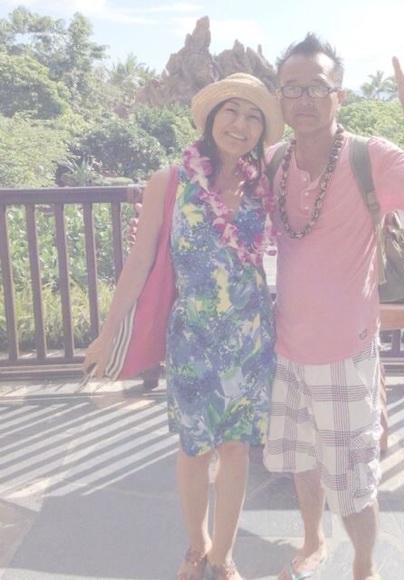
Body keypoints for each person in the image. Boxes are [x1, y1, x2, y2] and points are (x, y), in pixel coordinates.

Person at [262, 34, 404, 580]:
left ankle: (364, 565)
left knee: (354, 481)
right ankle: (312, 541)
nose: (304, 99)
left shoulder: (368, 156)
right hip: (287, 349)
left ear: (339, 95)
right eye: (292, 89)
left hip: (345, 353)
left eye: (316, 87)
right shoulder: (273, 161)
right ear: (280, 99)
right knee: (303, 462)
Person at [83, 73, 284, 580]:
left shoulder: (264, 187)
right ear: (212, 117)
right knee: (195, 448)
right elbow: (139, 262)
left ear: (262, 132)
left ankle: (223, 555)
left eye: (253, 117)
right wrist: (107, 332)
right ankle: (197, 547)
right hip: (193, 339)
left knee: (236, 449)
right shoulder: (171, 181)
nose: (240, 124)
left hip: (251, 338)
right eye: (231, 111)